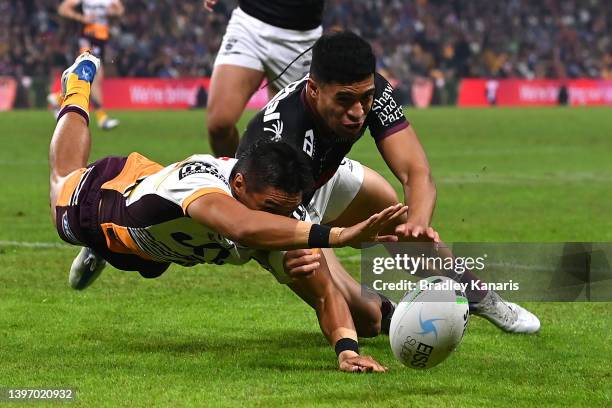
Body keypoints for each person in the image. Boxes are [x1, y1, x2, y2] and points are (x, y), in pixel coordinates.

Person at [49, 52, 403, 372]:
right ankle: (77, 85)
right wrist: (340, 236)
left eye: (288, 211)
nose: (281, 220)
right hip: (107, 205)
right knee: (63, 179)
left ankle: (106, 254)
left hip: (163, 250)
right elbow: (243, 226)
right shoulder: (203, 184)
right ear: (239, 186)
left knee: (367, 321)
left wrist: (347, 351)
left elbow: (326, 293)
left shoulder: (280, 217)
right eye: (270, 209)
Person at [237, 31, 541, 335]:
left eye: (364, 97)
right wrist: (329, 239)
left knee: (391, 211)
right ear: (314, 90)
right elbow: (253, 220)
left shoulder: (374, 91)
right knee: (365, 320)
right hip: (282, 215)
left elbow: (416, 171)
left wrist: (418, 226)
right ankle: (393, 315)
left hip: (321, 181)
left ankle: (478, 296)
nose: (357, 112)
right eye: (344, 100)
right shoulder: (276, 140)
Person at [203, 0, 324, 156]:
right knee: (219, 123)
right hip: (249, 23)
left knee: (291, 144)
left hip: (300, 37)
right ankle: (237, 175)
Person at [52, 0, 122, 130]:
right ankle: (102, 118)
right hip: (88, 38)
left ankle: (58, 98)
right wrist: (82, 18)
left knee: (92, 77)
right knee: (93, 75)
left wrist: (113, 13)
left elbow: (120, 10)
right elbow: (63, 8)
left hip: (101, 39)